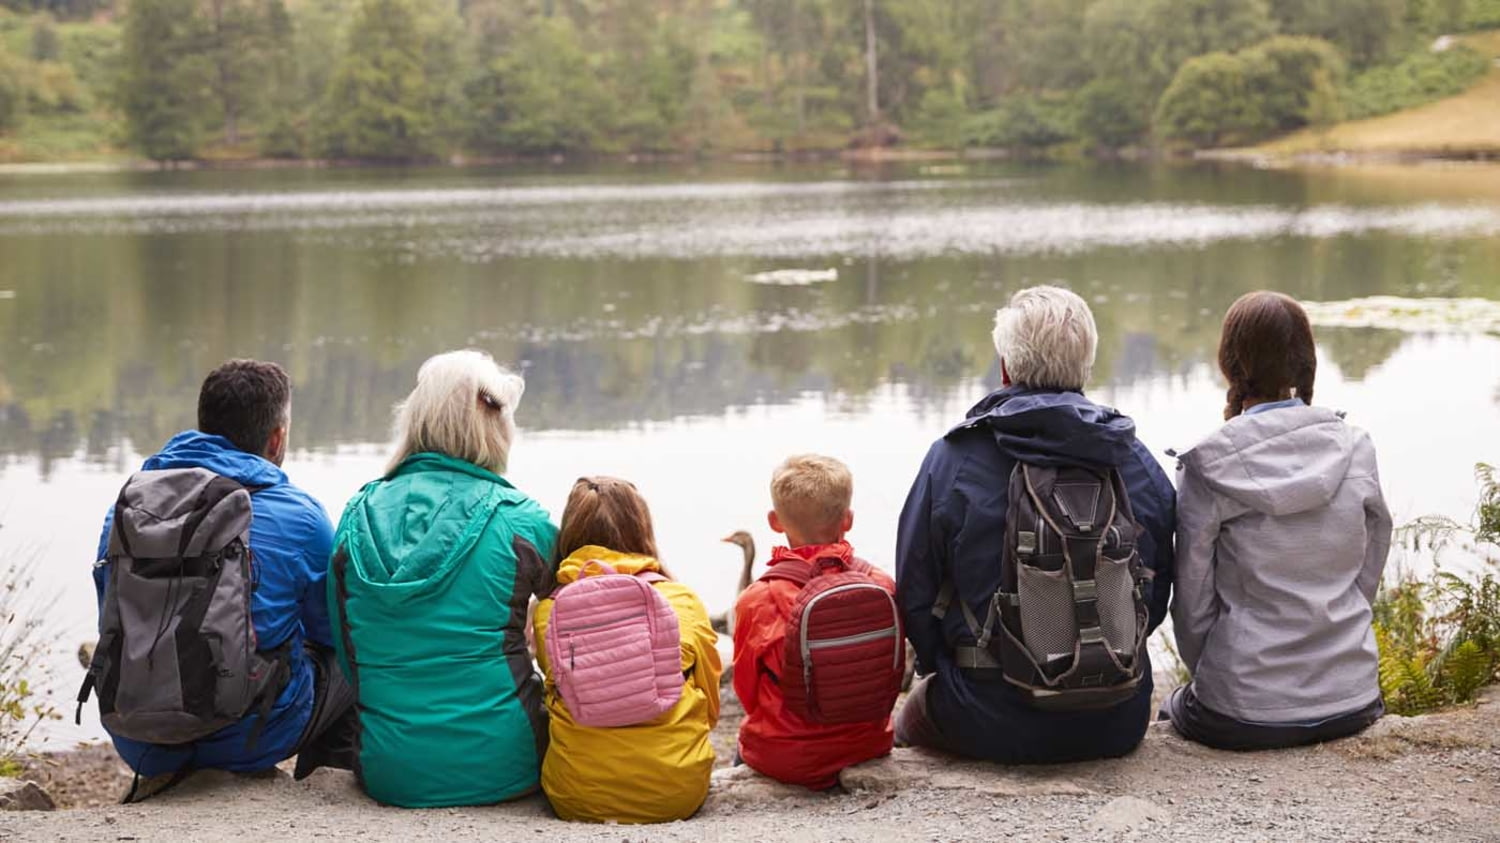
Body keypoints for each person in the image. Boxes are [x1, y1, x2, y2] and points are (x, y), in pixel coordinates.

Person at [894, 285, 1176, 763]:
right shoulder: (1132, 459)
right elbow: (1158, 589)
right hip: (1117, 718)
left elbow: (914, 592)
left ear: (1005, 367)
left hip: (988, 718)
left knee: (909, 718)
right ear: (1087, 364)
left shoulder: (954, 458)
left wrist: (949, 668)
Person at [88, 359, 350, 790]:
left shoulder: (129, 507)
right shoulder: (301, 517)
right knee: (354, 652)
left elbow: (110, 614)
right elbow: (332, 632)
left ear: (204, 424)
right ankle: (324, 783)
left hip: (138, 737)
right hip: (249, 738)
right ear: (277, 437)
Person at [329, 350, 557, 807]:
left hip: (390, 772)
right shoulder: (522, 522)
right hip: (510, 764)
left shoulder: (355, 517)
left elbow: (347, 654)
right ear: (495, 428)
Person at [1166, 291, 1391, 750]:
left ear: (1230, 365)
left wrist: (1214, 672)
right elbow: (1371, 561)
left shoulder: (1208, 465)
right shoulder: (1356, 448)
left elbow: (1191, 601)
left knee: (1171, 705)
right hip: (1352, 698)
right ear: (1307, 362)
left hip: (1243, 708)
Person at [533, 477, 721, 824]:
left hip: (578, 794)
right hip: (676, 790)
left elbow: (554, 694)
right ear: (641, 528)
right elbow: (710, 704)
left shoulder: (549, 610)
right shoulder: (682, 600)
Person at [733, 454, 898, 790]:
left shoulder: (757, 599)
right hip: (869, 744)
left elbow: (747, 690)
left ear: (774, 521)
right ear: (848, 519)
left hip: (788, 756)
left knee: (744, 742)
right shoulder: (881, 584)